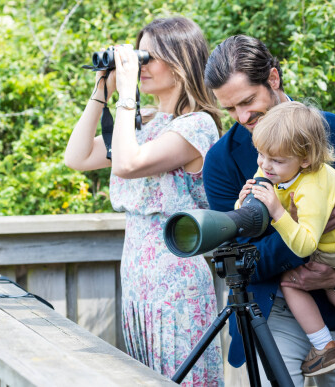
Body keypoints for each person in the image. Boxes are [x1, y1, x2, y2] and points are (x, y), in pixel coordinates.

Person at [202, 35, 335, 387]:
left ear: (274, 79)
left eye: (248, 101)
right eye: (230, 109)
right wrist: (306, 229)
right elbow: (231, 258)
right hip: (267, 312)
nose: (243, 117)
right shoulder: (220, 160)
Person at [64, 17, 224, 386]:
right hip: (137, 277)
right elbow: (76, 158)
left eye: (148, 58)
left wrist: (126, 95)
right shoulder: (145, 123)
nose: (142, 67)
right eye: (140, 58)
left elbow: (127, 163)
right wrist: (101, 89)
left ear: (180, 60)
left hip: (175, 280)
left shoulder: (196, 126)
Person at [237, 101, 335, 386]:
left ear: (305, 159)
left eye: (275, 160)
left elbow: (303, 248)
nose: (264, 165)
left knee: (290, 280)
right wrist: (244, 201)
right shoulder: (288, 168)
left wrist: (278, 213)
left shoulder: (311, 189)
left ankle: (324, 346)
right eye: (260, 154)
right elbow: (260, 198)